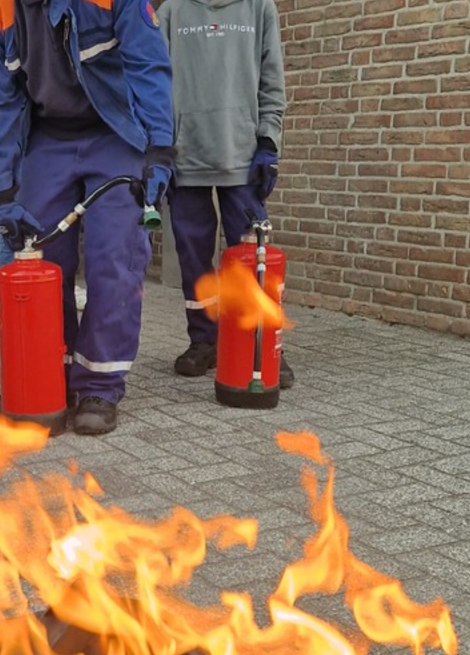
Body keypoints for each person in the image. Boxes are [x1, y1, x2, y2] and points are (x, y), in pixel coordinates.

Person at [0, 0, 174, 435]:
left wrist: (160, 150)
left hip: (114, 133)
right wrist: (4, 191)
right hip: (47, 137)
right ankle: (50, 373)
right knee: (39, 258)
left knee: (116, 256)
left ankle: (100, 385)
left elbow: (149, 68)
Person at [156, 0, 292, 388]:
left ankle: (259, 343)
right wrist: (161, 148)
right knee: (193, 259)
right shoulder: (172, 11)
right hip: (186, 156)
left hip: (243, 156)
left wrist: (268, 140)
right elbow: (156, 83)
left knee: (252, 259)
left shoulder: (259, 8)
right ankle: (204, 340)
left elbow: (272, 80)